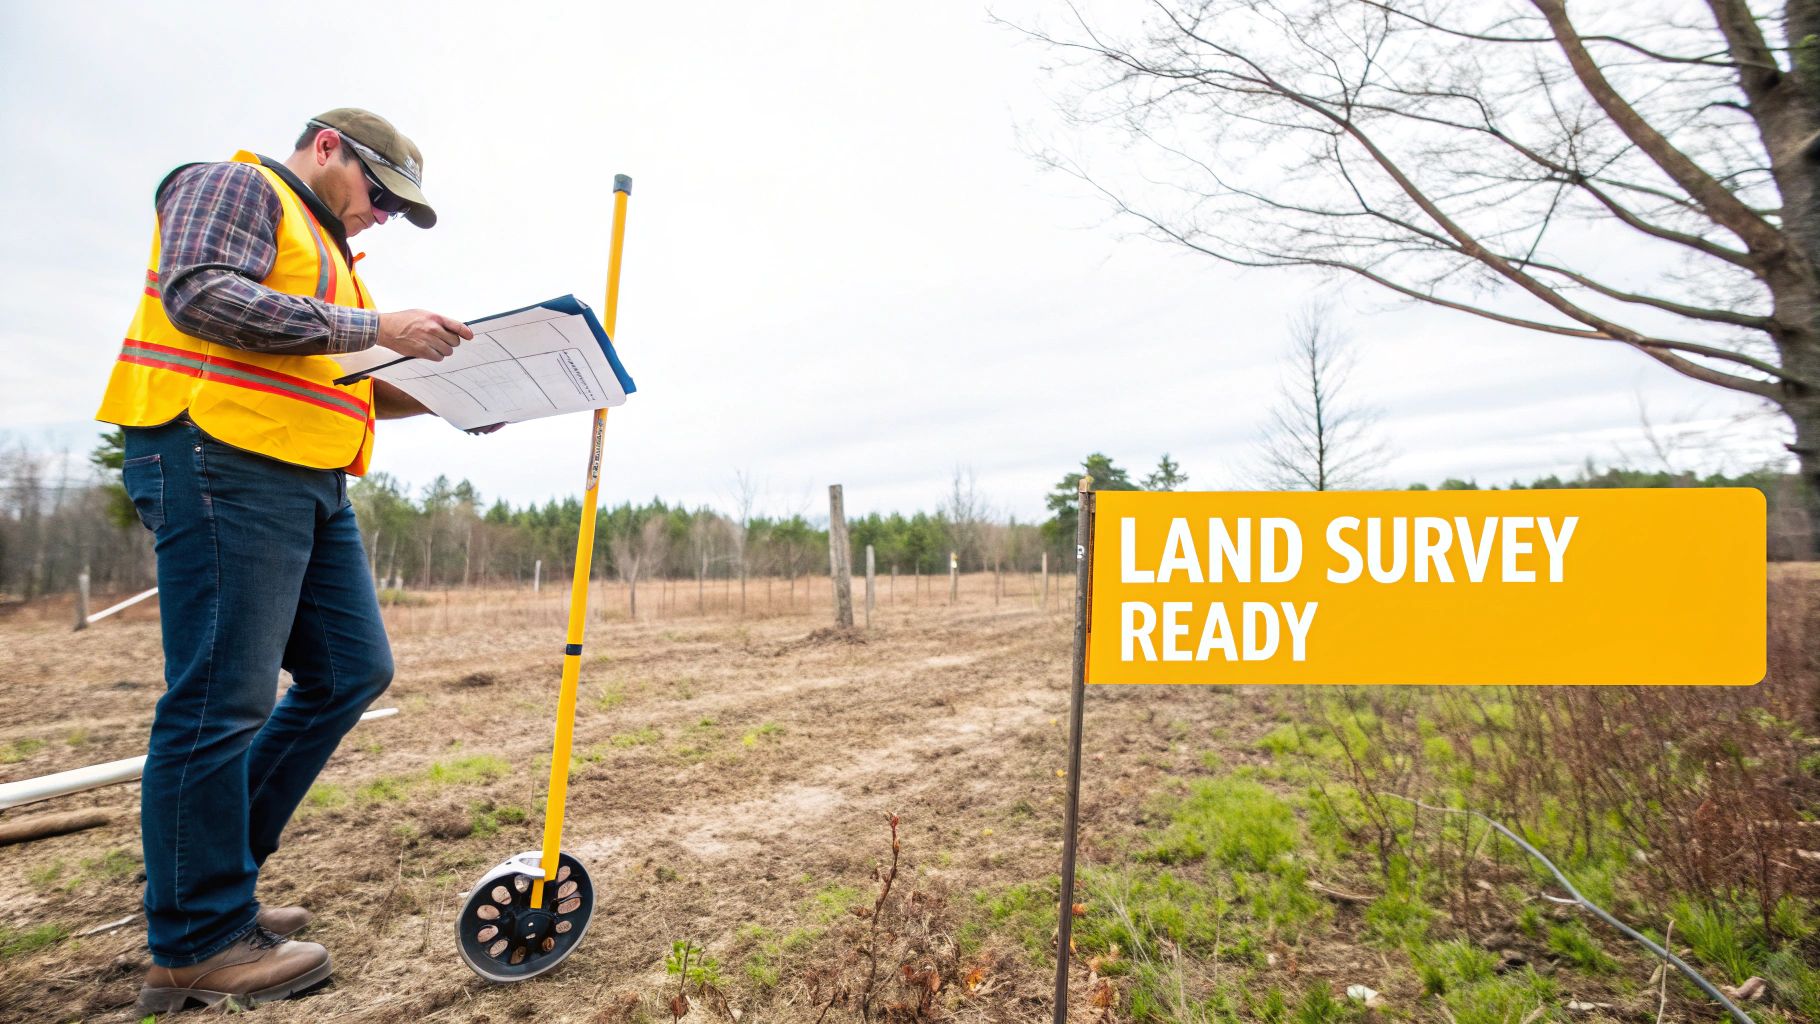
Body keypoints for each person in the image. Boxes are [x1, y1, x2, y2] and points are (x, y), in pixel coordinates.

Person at [95, 108, 476, 1014]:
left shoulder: (333, 259)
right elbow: (205, 298)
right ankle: (194, 939)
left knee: (351, 671)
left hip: (302, 473)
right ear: (328, 147)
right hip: (218, 456)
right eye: (379, 195)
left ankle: (218, 891)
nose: (381, 216)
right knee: (221, 696)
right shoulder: (232, 186)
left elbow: (329, 374)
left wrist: (452, 394)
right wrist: (379, 322)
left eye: (395, 209)